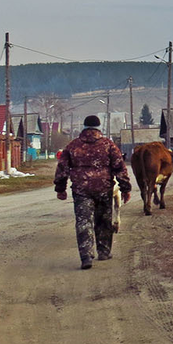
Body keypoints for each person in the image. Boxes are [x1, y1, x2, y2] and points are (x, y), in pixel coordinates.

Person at [54, 114, 132, 270]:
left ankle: (86, 257)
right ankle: (104, 252)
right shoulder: (108, 145)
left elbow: (62, 168)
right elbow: (119, 168)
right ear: (98, 127)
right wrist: (125, 189)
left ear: (84, 127)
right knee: (104, 220)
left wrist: (60, 189)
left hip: (81, 190)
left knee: (84, 222)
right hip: (104, 188)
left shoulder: (73, 146)